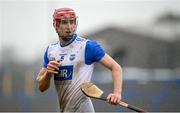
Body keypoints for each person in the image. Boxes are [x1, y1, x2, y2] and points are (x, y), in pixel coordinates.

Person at [36, 7, 123, 112]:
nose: (69, 27)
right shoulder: (51, 51)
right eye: (64, 22)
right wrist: (48, 74)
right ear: (55, 24)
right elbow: (42, 87)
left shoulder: (87, 46)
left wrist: (117, 93)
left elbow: (116, 67)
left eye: (72, 22)